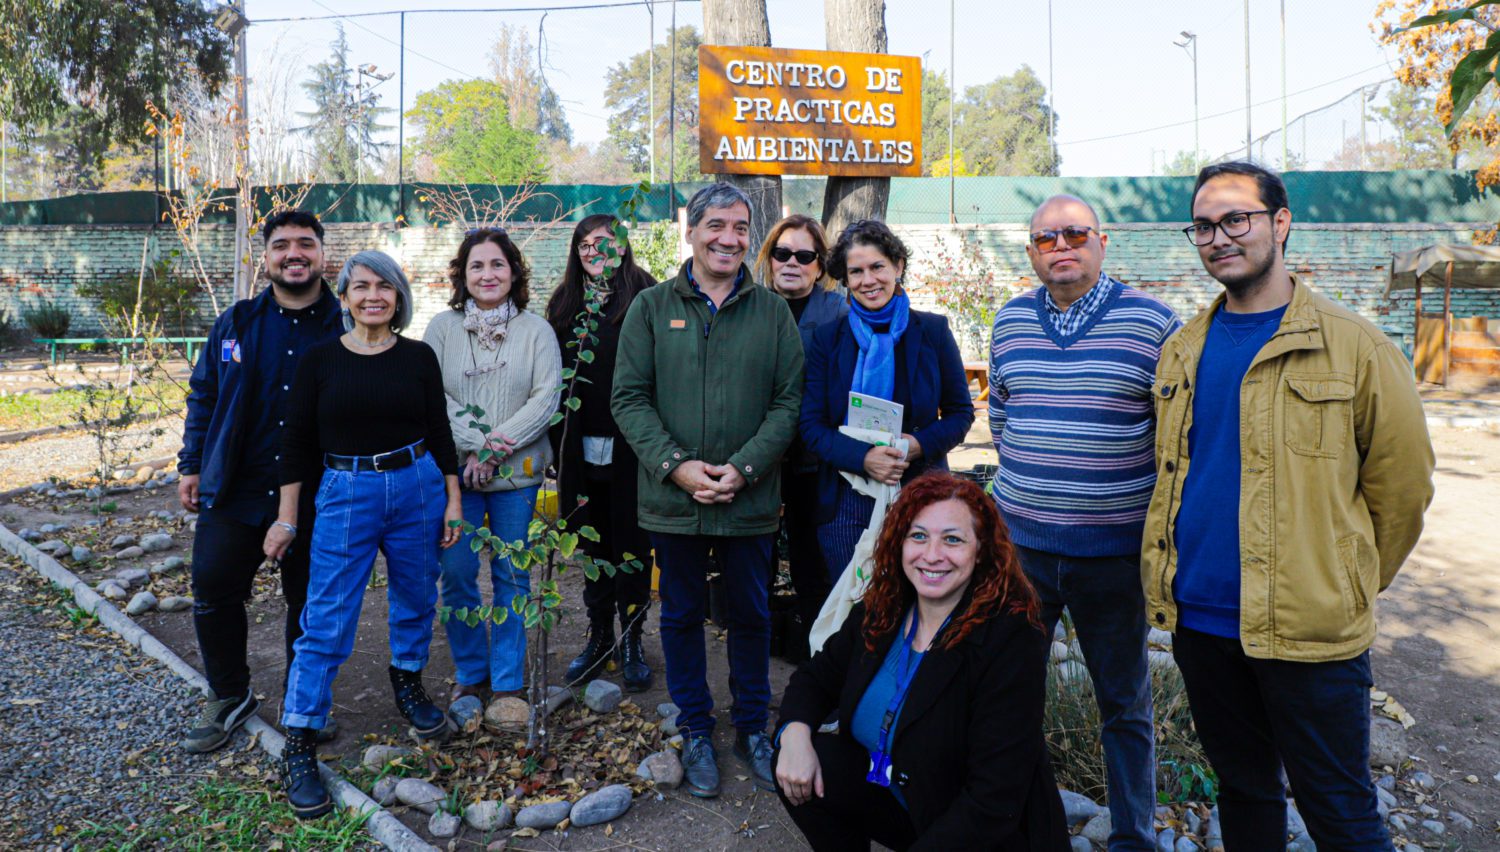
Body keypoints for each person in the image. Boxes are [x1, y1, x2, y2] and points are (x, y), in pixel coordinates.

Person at [1143, 161, 1435, 849]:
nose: (1219, 237)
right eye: (1204, 225)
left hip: (1310, 630)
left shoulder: (1356, 347)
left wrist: (1346, 579)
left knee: (1340, 808)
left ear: (1280, 223)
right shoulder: (1183, 349)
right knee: (1244, 793)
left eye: (1236, 218)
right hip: (1205, 624)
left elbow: (1404, 490)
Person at [988, 194, 1180, 849]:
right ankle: (1013, 824)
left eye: (1074, 233)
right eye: (1046, 238)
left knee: (1124, 703)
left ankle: (1133, 836)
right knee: (1009, 694)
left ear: (1103, 240)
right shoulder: (1010, 321)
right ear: (1031, 251)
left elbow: (1175, 437)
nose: (1060, 246)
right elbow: (1004, 416)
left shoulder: (1155, 324)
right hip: (1023, 551)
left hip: (1113, 556)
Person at [612, 183, 804, 797]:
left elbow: (788, 402)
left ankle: (752, 727)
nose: (729, 238)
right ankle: (695, 727)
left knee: (751, 616)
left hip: (748, 502)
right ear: (690, 231)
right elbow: (629, 397)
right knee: (682, 614)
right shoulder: (650, 308)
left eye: (741, 227)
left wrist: (744, 470)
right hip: (674, 502)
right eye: (716, 225)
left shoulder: (772, 312)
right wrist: (677, 466)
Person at [265, 250, 463, 819]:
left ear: (398, 296)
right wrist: (287, 516)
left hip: (418, 485)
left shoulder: (419, 357)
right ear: (345, 296)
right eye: (360, 286)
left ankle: (407, 680)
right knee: (327, 612)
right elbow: (295, 444)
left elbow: (440, 431)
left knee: (417, 596)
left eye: (384, 286)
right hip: (346, 491)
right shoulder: (319, 360)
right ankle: (300, 735)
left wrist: (452, 499)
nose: (373, 295)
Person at [774, 472, 1068, 851]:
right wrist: (794, 736)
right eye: (918, 536)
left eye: (953, 539)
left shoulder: (1010, 638)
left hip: (984, 833)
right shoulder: (885, 608)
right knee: (803, 760)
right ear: (899, 543)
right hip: (907, 801)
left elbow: (994, 799)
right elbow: (815, 678)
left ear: (981, 550)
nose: (932, 555)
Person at [177, 209, 345, 754]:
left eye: (304, 244)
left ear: (322, 253)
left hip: (319, 493)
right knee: (212, 588)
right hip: (238, 487)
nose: (293, 254)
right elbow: (204, 393)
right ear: (265, 257)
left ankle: (306, 702)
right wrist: (192, 463)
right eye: (281, 245)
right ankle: (229, 695)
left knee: (310, 602)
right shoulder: (236, 323)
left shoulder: (346, 325)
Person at [424, 228, 562, 703]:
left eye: (497, 264)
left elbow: (547, 399)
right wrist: (474, 444)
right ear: (462, 274)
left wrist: (495, 448)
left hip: (517, 477)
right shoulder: (442, 329)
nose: (488, 274)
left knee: (512, 574)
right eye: (477, 265)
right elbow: (431, 396)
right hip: (455, 479)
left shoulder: (536, 330)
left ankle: (507, 681)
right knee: (457, 573)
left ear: (514, 271)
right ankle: (471, 669)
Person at [799, 219, 974, 583]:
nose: (868, 280)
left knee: (921, 604)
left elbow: (960, 413)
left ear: (898, 266)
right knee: (855, 614)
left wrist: (917, 445)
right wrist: (863, 458)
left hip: (921, 492)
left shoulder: (933, 332)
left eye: (877, 266)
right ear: (845, 280)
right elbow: (811, 425)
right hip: (846, 499)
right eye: (856, 271)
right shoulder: (828, 339)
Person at [545, 215, 656, 691]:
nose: (594, 252)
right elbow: (552, 383)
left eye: (604, 243)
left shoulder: (646, 296)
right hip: (579, 449)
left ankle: (632, 637)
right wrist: (555, 446)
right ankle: (599, 636)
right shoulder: (565, 303)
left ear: (623, 247)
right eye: (585, 244)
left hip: (634, 447)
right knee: (592, 544)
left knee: (631, 542)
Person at [755, 214, 846, 649]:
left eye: (804, 255)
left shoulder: (838, 312)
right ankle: (761, 642)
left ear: (820, 264)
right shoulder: (748, 306)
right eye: (782, 253)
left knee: (813, 559)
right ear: (770, 258)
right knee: (757, 558)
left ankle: (818, 651)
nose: (792, 262)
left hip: (815, 459)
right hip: (760, 458)